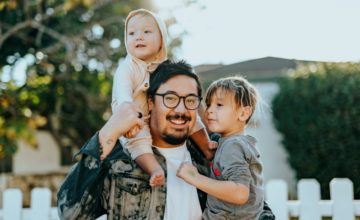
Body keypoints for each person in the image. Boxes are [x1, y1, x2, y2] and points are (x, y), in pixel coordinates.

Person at [57, 61, 274, 220]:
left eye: (190, 100)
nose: (180, 109)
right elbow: (70, 213)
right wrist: (109, 132)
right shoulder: (121, 159)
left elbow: (255, 205)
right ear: (150, 102)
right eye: (170, 98)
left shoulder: (214, 151)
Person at [111, 9, 214, 187]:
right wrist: (129, 120)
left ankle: (207, 146)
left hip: (158, 115)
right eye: (132, 33)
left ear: (161, 40)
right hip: (132, 120)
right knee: (138, 142)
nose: (139, 37)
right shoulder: (127, 68)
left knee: (191, 115)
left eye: (147, 32)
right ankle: (154, 169)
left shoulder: (165, 69)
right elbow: (123, 95)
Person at [177, 76, 265, 219]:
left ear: (243, 113)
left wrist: (195, 178)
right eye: (208, 104)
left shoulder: (233, 146)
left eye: (219, 105)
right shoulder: (236, 143)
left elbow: (240, 193)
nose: (209, 110)